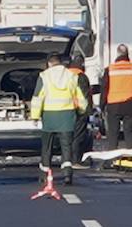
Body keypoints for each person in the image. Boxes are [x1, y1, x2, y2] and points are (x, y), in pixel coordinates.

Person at [29, 52, 88, 186]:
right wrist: (82, 110)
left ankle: (45, 174)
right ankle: (67, 174)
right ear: (60, 63)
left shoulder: (44, 76)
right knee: (66, 146)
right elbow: (79, 97)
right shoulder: (71, 76)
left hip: (49, 116)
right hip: (67, 116)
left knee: (47, 147)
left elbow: (38, 98)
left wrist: (35, 116)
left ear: (49, 64)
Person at [101, 44, 132, 151]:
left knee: (113, 133)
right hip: (130, 104)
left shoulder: (110, 69)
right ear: (127, 54)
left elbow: (104, 89)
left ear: (117, 54)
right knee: (129, 131)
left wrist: (102, 106)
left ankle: (112, 156)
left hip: (113, 105)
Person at [67, 54, 95, 168]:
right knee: (78, 136)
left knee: (68, 136)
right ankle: (75, 160)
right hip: (79, 111)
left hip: (65, 110)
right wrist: (89, 112)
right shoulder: (81, 76)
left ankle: (67, 159)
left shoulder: (65, 75)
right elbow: (85, 96)